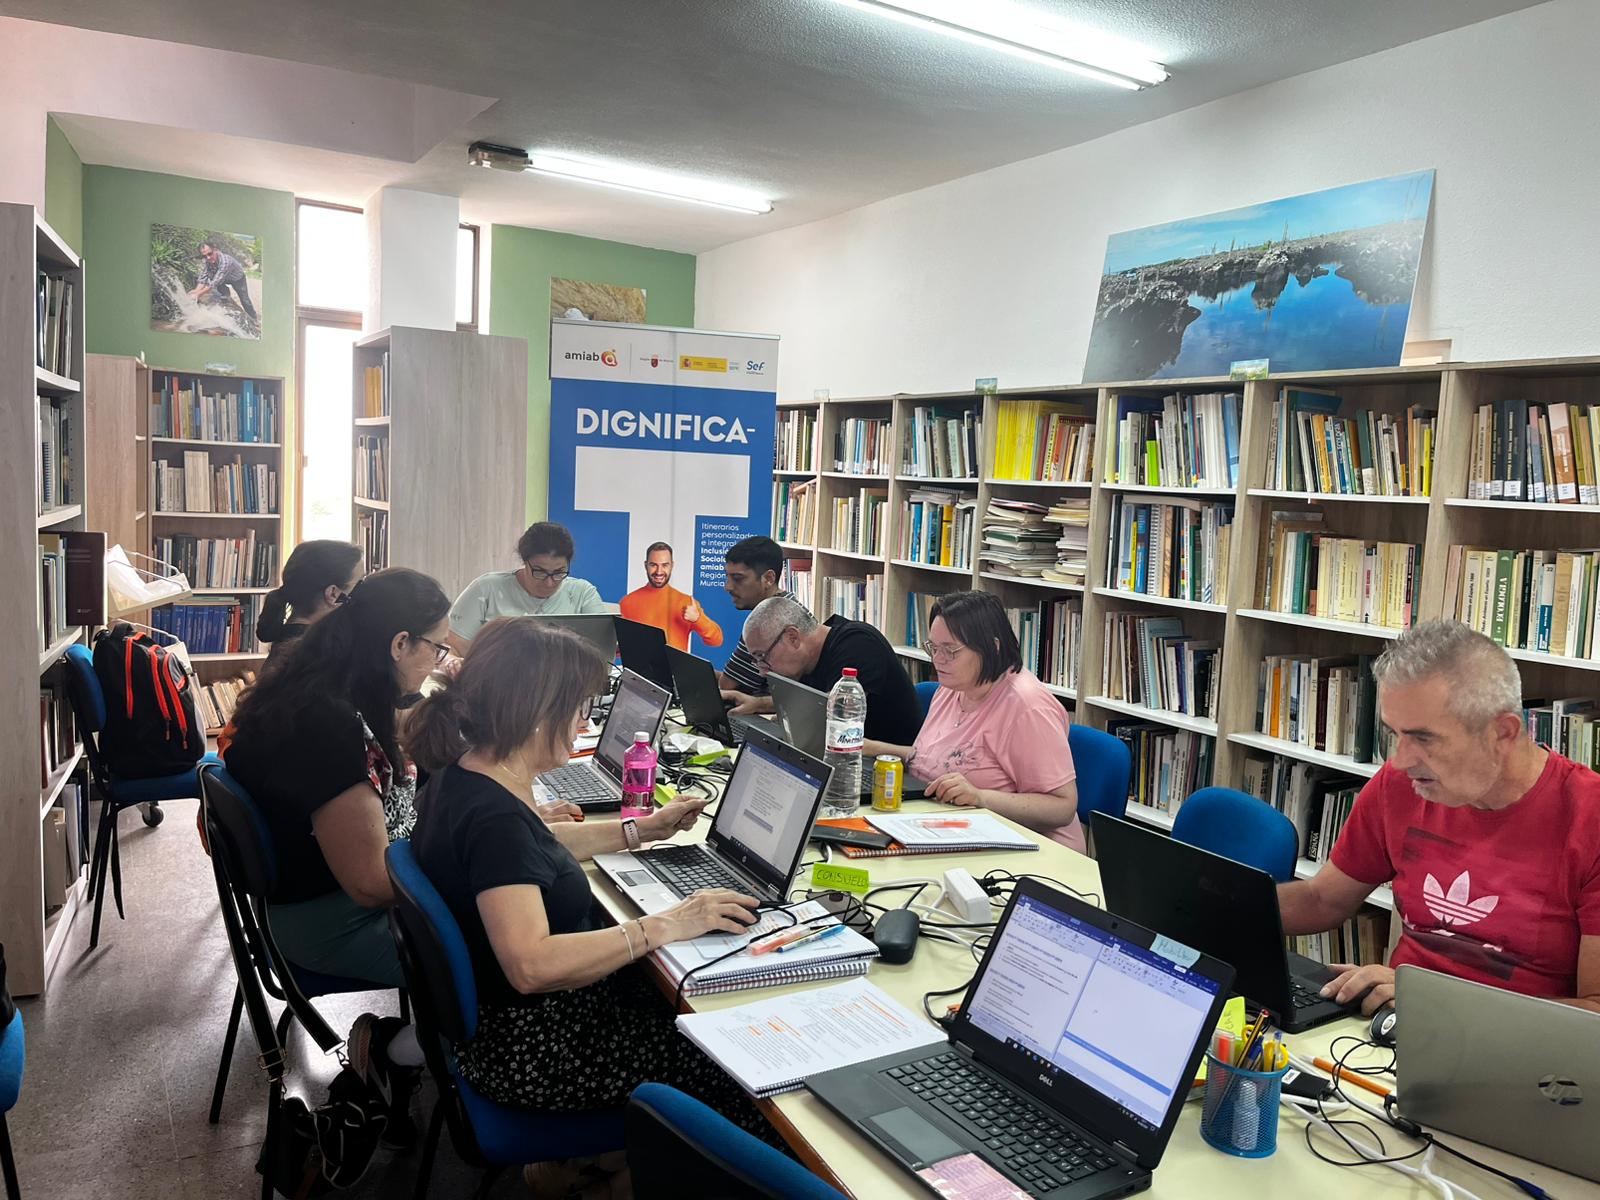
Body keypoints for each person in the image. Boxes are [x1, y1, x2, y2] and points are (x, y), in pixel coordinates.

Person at [406, 618, 777, 1168]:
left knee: (686, 998)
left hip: (509, 1030)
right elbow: (531, 965)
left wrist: (640, 831)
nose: (584, 721)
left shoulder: (467, 775)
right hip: (540, 1053)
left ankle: (604, 1172)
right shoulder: (495, 820)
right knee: (740, 1065)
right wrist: (664, 924)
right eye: (579, 707)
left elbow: (536, 847)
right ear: (535, 712)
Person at [224, 567, 454, 1138]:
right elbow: (372, 882)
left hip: (313, 903)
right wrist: (472, 854)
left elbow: (390, 790)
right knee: (500, 951)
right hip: (331, 925)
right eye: (436, 648)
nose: (438, 662)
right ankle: (395, 1053)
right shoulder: (327, 725)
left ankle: (415, 1049)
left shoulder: (326, 684)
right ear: (399, 644)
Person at [1277, 620, 1600, 1016]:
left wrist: (1434, 1002)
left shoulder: (1589, 817)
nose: (1400, 760)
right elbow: (1323, 900)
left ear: (1502, 733)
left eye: (1423, 738)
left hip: (1521, 1046)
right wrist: (1221, 907)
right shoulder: (1400, 786)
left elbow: (1594, 1010)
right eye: (1395, 734)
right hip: (1394, 1026)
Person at [862, 591, 1082, 851]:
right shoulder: (953, 687)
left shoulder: (1028, 708)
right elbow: (936, 759)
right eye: (933, 648)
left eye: (950, 650)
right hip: (948, 826)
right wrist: (872, 748)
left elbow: (1062, 807)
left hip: (1031, 849)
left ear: (992, 647)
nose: (937, 659)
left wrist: (980, 797)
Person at [738, 595, 922, 746]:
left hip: (890, 769)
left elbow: (830, 716)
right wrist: (758, 704)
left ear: (792, 637)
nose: (762, 671)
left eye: (762, 656)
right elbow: (815, 702)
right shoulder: (808, 659)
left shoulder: (859, 645)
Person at [447, 521, 608, 654]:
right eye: (540, 572)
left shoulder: (583, 593)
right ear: (524, 562)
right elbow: (454, 647)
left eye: (559, 572)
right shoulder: (486, 589)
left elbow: (601, 652)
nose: (549, 582)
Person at [719, 535, 806, 707]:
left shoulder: (766, 623)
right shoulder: (789, 606)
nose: (727, 587)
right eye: (727, 577)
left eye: (738, 578)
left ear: (769, 578)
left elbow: (727, 686)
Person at [256, 539, 363, 662]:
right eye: (359, 583)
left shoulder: (289, 640)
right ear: (333, 594)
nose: (364, 589)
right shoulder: (322, 653)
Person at [619, 541, 723, 653]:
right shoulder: (627, 603)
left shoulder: (687, 603)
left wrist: (698, 620)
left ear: (672, 566)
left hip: (676, 665)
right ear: (646, 565)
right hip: (639, 665)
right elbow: (618, 649)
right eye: (653, 565)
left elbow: (716, 640)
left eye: (665, 565)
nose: (659, 571)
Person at [189, 240, 257, 321]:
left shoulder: (226, 261)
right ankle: (226, 297)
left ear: (215, 250)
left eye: (210, 254)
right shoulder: (207, 260)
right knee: (219, 286)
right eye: (204, 256)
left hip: (237, 278)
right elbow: (204, 277)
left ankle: (253, 318)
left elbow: (214, 283)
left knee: (244, 299)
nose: (208, 258)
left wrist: (198, 294)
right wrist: (196, 291)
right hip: (223, 278)